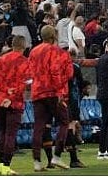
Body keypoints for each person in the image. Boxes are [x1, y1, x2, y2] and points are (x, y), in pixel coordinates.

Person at [28, 25, 74, 172]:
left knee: (39, 126)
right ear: (54, 36)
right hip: (53, 92)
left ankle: (36, 161)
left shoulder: (33, 51)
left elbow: (29, 71)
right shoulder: (57, 52)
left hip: (37, 91)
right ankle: (57, 155)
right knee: (64, 122)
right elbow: (60, 72)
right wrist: (60, 91)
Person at [0, 34, 32, 176]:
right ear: (24, 47)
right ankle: (7, 165)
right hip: (15, 102)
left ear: (12, 45)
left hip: (0, 100)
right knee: (10, 134)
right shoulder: (25, 62)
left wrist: (4, 91)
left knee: (2, 132)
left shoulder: (0, 60)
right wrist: (11, 95)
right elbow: (25, 83)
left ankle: (1, 165)